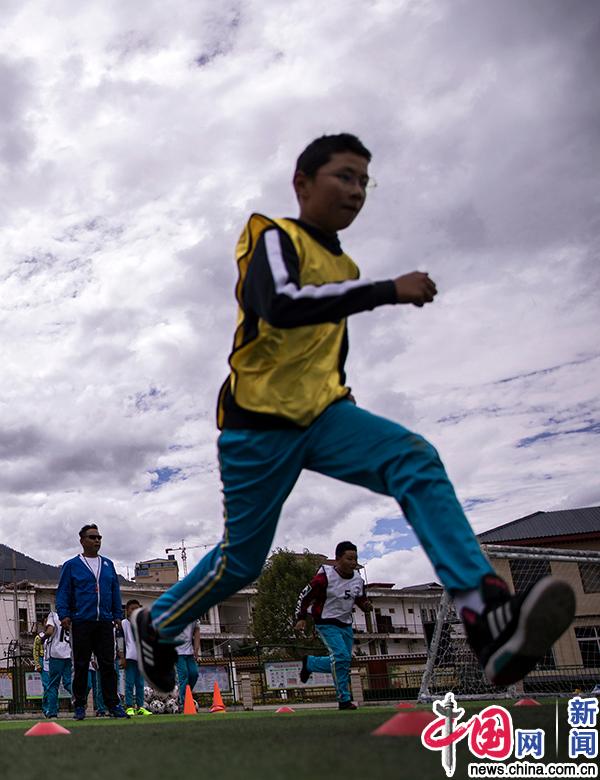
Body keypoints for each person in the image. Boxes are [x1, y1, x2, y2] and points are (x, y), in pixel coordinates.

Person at [132, 133, 575, 693]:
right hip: (260, 423)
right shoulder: (272, 234)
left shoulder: (343, 262)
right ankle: (160, 622)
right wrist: (387, 289)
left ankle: (485, 614)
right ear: (303, 183)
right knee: (241, 562)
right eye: (344, 176)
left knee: (413, 457)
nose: (357, 191)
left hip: (324, 415)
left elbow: (321, 353)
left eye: (365, 181)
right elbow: (282, 305)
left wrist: (353, 420)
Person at [55, 524, 129, 719]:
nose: (97, 540)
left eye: (99, 537)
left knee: (107, 665)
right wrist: (64, 615)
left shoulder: (108, 565)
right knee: (80, 665)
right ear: (82, 540)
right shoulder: (72, 565)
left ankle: (113, 705)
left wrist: (117, 615)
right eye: (92, 537)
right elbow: (63, 592)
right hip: (81, 621)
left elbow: (115, 591)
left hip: (104, 622)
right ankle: (79, 706)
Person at [295, 541, 371, 710]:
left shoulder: (358, 579)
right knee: (342, 657)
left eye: (355, 559)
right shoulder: (324, 577)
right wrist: (301, 618)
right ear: (337, 559)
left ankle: (311, 663)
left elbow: (360, 597)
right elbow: (305, 596)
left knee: (342, 661)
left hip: (345, 623)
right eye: (349, 558)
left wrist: (365, 605)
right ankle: (344, 699)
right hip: (325, 621)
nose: (353, 562)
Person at [121, 599, 152, 716]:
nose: (135, 611)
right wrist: (122, 657)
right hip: (129, 658)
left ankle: (140, 706)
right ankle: (129, 706)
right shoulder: (124, 623)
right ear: (127, 611)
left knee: (140, 684)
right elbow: (120, 640)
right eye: (132, 609)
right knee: (129, 683)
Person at [44, 610, 73, 718]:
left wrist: (43, 638)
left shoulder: (53, 614)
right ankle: (79, 697)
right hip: (69, 653)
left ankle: (52, 712)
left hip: (56, 654)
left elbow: (50, 631)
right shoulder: (72, 614)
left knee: (53, 684)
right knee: (68, 681)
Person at [174, 620, 201, 710]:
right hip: (177, 652)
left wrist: (196, 649)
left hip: (189, 652)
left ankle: (184, 694)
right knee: (184, 675)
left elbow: (197, 631)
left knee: (194, 674)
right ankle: (182, 701)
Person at [33, 626, 50, 716]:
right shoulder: (39, 637)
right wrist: (37, 664)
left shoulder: (53, 636)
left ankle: (53, 707)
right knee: (47, 686)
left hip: (52, 660)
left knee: (54, 686)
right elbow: (35, 651)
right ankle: (46, 708)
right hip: (42, 660)